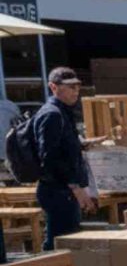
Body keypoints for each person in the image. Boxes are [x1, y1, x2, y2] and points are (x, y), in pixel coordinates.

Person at [32, 67, 93, 250]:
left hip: (64, 190)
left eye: (77, 86)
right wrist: (75, 187)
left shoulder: (63, 113)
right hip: (58, 190)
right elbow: (50, 158)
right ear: (54, 87)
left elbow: (63, 148)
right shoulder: (52, 114)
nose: (76, 91)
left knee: (66, 244)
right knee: (60, 246)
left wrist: (82, 144)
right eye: (70, 87)